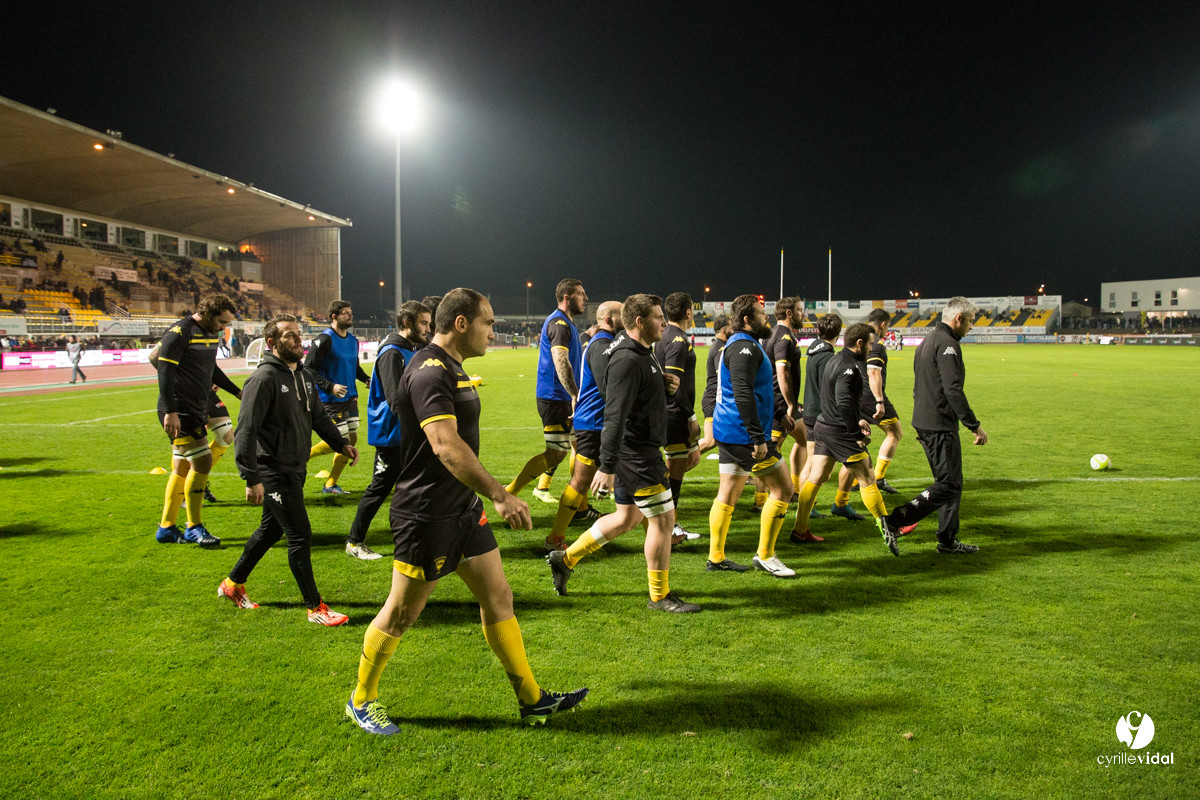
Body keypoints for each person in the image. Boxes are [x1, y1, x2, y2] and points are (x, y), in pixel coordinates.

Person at [345, 288, 587, 734]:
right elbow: (443, 444)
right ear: (460, 323)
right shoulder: (429, 370)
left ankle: (532, 700)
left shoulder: (450, 367)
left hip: (461, 508)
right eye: (488, 324)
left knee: (499, 598)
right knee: (401, 613)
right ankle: (362, 698)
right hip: (427, 513)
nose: (493, 333)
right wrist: (500, 494)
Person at [547, 294, 700, 613]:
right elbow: (615, 414)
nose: (663, 323)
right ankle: (659, 596)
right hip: (637, 454)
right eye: (658, 318)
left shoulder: (641, 352)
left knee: (627, 516)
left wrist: (664, 385)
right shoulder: (627, 358)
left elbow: (638, 396)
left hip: (637, 450)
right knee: (663, 520)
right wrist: (608, 465)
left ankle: (566, 558)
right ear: (640, 322)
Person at [217, 315, 358, 625]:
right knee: (299, 535)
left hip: (296, 467)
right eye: (290, 336)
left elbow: (319, 417)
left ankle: (232, 584)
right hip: (272, 471)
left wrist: (340, 443)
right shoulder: (263, 379)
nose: (298, 340)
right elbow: (246, 431)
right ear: (272, 343)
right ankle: (315, 608)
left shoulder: (304, 376)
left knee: (271, 530)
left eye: (298, 334)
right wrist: (251, 477)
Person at [882, 297, 988, 553]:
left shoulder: (928, 341)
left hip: (928, 420)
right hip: (938, 424)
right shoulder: (947, 344)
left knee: (951, 481)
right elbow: (952, 389)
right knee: (949, 484)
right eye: (970, 321)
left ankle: (947, 540)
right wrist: (973, 425)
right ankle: (896, 520)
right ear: (958, 318)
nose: (971, 327)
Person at [706, 294, 796, 577]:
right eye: (760, 312)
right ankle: (766, 555)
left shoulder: (741, 344)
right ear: (747, 319)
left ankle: (716, 557)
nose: (765, 316)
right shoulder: (743, 346)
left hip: (731, 430)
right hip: (743, 434)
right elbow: (742, 392)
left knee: (728, 494)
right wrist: (758, 437)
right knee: (783, 488)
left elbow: (755, 390)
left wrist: (780, 415)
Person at [792, 323, 899, 555]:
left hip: (824, 426)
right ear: (859, 343)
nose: (871, 348)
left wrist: (856, 420)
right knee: (867, 477)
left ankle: (800, 529)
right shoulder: (848, 367)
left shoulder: (834, 359)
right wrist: (856, 432)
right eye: (870, 344)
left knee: (817, 477)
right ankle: (889, 529)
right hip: (839, 432)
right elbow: (842, 401)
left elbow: (837, 400)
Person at [344, 301, 431, 560]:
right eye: (423, 323)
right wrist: (419, 426)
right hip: (392, 434)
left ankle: (414, 534)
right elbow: (395, 400)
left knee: (413, 485)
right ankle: (354, 541)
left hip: (404, 433)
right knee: (379, 488)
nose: (428, 328)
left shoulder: (408, 349)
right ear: (406, 323)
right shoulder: (392, 352)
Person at [153, 294, 240, 548]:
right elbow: (164, 372)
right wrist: (171, 411)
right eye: (221, 322)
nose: (223, 328)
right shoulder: (180, 332)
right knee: (202, 460)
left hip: (198, 405)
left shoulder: (210, 332)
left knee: (181, 467)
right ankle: (194, 527)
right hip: (181, 409)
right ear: (209, 313)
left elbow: (211, 368)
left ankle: (166, 527)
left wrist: (236, 391)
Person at [544, 301, 623, 551]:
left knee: (633, 477)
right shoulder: (601, 345)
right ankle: (554, 538)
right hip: (595, 424)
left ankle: (662, 528)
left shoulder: (606, 342)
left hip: (597, 421)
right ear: (608, 319)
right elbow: (607, 387)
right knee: (580, 481)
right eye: (622, 314)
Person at [506, 279, 587, 502]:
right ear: (566, 298)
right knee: (556, 453)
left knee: (583, 449)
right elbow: (561, 361)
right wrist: (574, 394)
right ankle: (509, 492)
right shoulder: (559, 324)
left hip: (562, 397)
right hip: (556, 398)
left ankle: (579, 506)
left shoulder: (566, 323)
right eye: (581, 293)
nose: (585, 298)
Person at [303, 300, 370, 494]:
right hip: (329, 399)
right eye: (345, 313)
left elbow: (354, 367)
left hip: (350, 397)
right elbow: (307, 368)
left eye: (351, 312)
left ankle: (331, 483)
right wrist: (329, 386)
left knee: (352, 438)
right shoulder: (324, 340)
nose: (350, 315)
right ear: (334, 317)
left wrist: (366, 378)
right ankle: (302, 456)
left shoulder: (353, 341)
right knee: (340, 440)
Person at [653, 292, 703, 543]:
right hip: (675, 414)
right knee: (674, 471)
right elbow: (674, 383)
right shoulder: (678, 340)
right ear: (688, 312)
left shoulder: (666, 336)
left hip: (672, 412)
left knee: (689, 460)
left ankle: (665, 517)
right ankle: (667, 525)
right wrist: (691, 416)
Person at [763, 297, 808, 497]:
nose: (803, 314)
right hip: (779, 403)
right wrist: (789, 404)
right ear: (789, 313)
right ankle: (762, 499)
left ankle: (795, 488)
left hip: (777, 399)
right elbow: (782, 371)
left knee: (804, 438)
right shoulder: (784, 337)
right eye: (799, 310)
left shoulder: (771, 334)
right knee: (770, 450)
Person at [859, 308, 903, 494]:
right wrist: (879, 400)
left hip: (855, 395)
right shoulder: (875, 343)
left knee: (858, 439)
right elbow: (874, 372)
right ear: (883, 324)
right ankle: (878, 478)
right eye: (887, 327)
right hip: (871, 397)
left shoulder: (858, 338)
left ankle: (855, 481)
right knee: (895, 433)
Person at [697, 313, 731, 453]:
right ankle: (679, 463)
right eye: (731, 326)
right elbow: (722, 372)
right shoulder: (720, 347)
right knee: (710, 440)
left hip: (715, 399)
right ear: (724, 331)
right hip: (713, 400)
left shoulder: (719, 345)